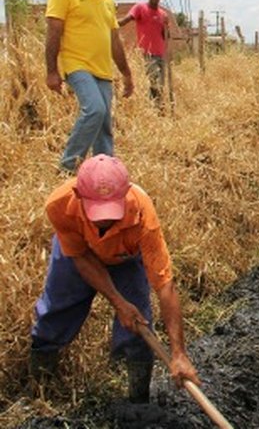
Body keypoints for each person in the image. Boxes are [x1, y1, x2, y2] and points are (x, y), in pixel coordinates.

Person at [29, 154, 199, 403]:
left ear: (126, 194)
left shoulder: (141, 213)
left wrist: (179, 353)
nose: (105, 220)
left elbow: (165, 285)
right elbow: (81, 259)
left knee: (139, 322)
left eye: (111, 211)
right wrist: (118, 303)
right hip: (79, 255)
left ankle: (138, 401)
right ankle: (40, 390)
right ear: (78, 195)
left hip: (124, 258)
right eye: (97, 212)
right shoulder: (60, 204)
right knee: (56, 311)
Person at [45, 0, 134, 173]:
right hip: (77, 65)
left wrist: (126, 74)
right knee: (94, 110)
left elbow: (114, 39)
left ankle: (104, 172)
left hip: (103, 70)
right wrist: (52, 71)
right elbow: (54, 32)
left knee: (104, 124)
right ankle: (68, 167)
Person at [119, 0, 169, 109]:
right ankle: (154, 108)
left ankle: (157, 108)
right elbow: (126, 20)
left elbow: (165, 35)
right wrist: (109, 23)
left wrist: (167, 29)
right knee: (154, 81)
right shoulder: (140, 8)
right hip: (147, 53)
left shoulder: (163, 14)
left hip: (160, 54)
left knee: (161, 83)